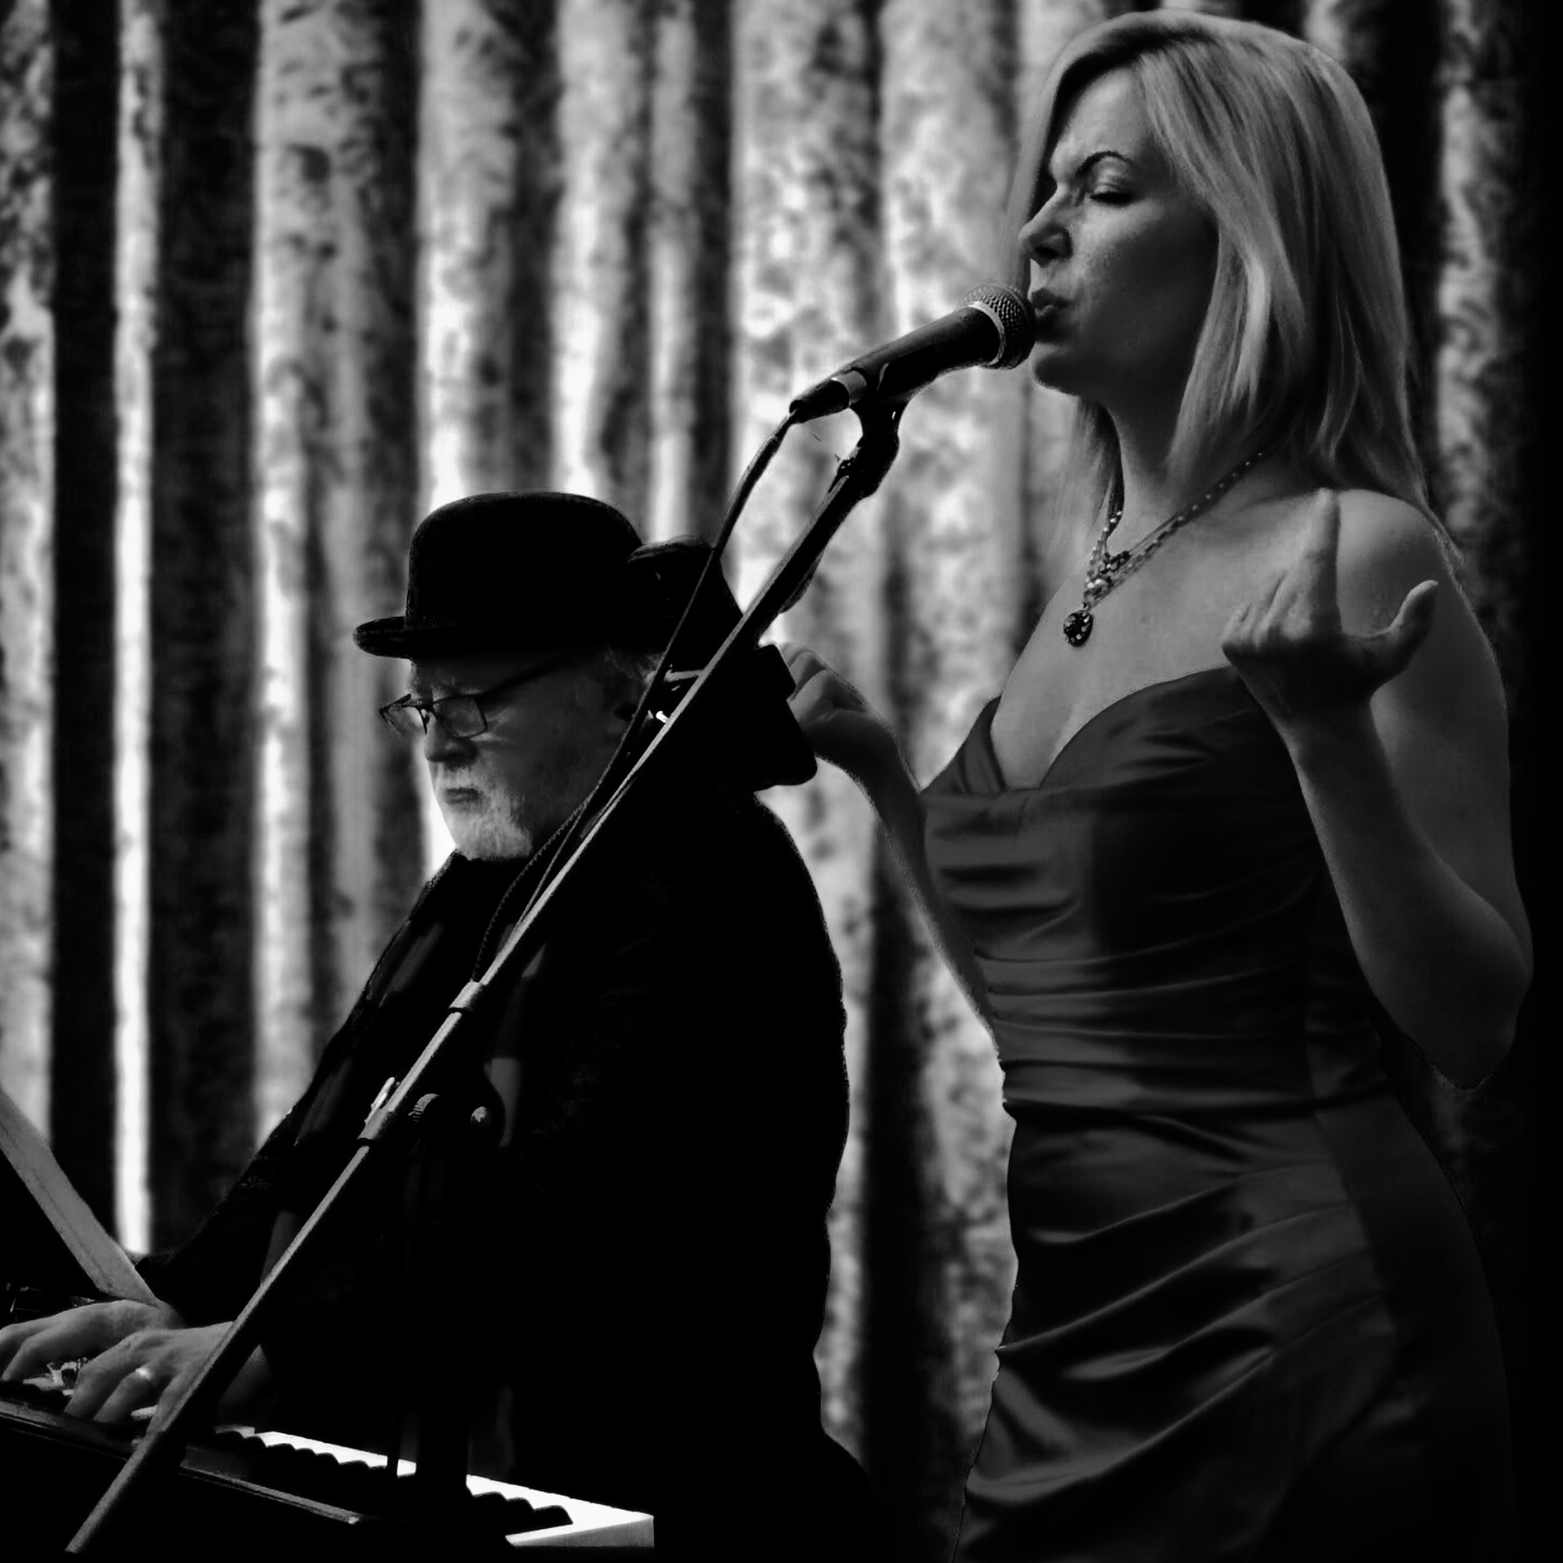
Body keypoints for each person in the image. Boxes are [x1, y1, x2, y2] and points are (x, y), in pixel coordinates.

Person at [784, 12, 1529, 1562]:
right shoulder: (1091, 569)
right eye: (1044, 187)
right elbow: (1054, 1024)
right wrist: (884, 780)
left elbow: (1473, 1022)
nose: (1036, 231)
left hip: (1300, 1319)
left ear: (1251, 237)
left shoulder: (1355, 547)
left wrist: (1325, 740)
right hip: (1073, 1337)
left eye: (1106, 187)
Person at [0, 490, 886, 1560]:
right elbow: (320, 1153)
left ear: (619, 688)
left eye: (478, 700)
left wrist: (278, 1348)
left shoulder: (714, 869)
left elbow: (576, 1202)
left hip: (668, 1486)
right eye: (425, 704)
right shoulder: (482, 883)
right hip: (460, 1446)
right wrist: (170, 1303)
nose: (441, 742)